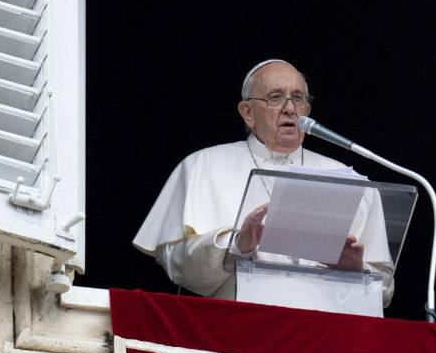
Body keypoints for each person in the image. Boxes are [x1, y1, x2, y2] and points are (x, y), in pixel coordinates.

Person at [132, 59, 394, 305]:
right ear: (247, 112)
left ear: (307, 110)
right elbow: (177, 264)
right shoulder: (202, 165)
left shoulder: (348, 179)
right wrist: (236, 244)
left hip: (328, 336)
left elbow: (384, 291)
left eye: (298, 98)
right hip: (238, 333)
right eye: (276, 97)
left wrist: (356, 271)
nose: (290, 108)